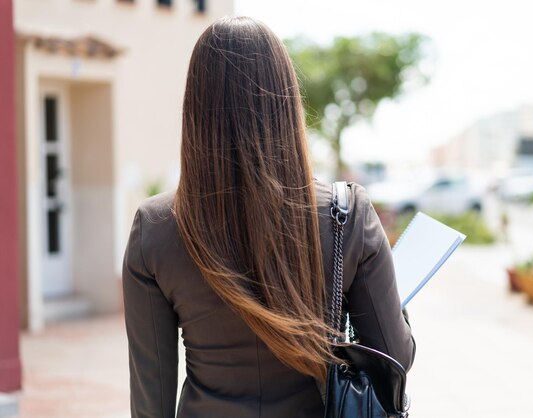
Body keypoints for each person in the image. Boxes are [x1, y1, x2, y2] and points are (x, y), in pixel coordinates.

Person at [122, 16, 416, 418]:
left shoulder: (154, 228)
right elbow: (396, 356)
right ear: (286, 101)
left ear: (196, 108)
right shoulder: (348, 215)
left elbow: (150, 402)